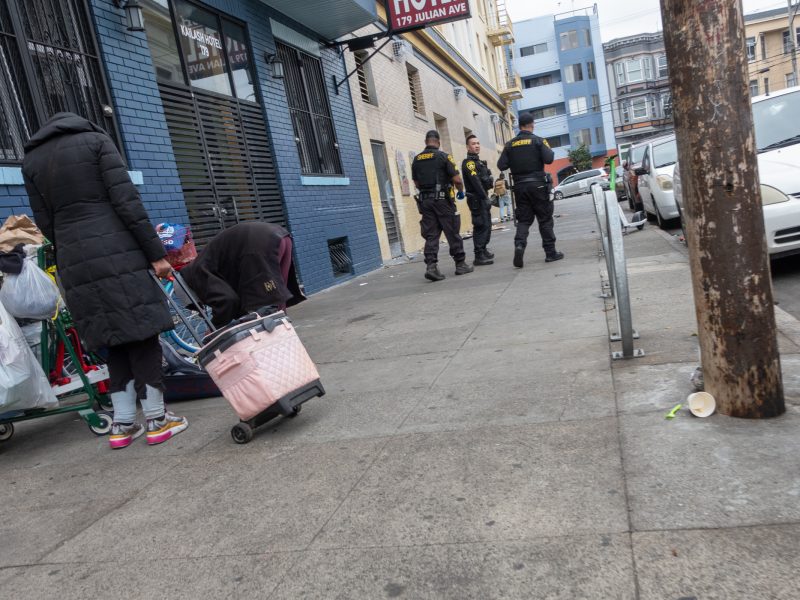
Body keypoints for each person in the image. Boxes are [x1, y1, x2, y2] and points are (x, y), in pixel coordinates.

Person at [22, 112, 188, 450]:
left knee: (111, 337)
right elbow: (127, 202)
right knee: (141, 332)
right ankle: (157, 419)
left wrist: (70, 251)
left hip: (74, 258)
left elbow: (44, 221)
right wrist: (156, 255)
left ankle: (123, 424)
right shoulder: (97, 141)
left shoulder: (32, 160)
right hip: (118, 248)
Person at [179, 221, 306, 328]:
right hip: (280, 236)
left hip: (257, 245)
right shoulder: (204, 262)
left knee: (265, 304)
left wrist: (214, 330)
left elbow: (227, 300)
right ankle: (285, 341)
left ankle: (274, 347)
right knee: (277, 300)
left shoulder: (197, 273)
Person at [497, 112, 563, 268]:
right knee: (545, 219)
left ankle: (519, 245)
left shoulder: (509, 145)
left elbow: (501, 165)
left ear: (519, 126)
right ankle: (550, 253)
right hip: (538, 186)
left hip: (520, 187)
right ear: (532, 124)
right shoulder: (539, 141)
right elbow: (549, 159)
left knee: (524, 220)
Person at [411, 130, 474, 281]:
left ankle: (431, 266)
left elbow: (416, 183)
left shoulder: (416, 159)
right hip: (442, 201)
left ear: (426, 142)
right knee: (452, 231)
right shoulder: (443, 156)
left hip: (425, 201)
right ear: (438, 142)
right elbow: (457, 180)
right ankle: (460, 264)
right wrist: (460, 191)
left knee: (431, 234)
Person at [461, 135, 495, 266]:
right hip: (477, 198)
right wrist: (484, 197)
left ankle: (483, 249)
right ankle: (478, 255)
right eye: (474, 144)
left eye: (478, 143)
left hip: (483, 196)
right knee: (480, 225)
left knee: (487, 224)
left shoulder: (479, 162)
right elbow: (475, 182)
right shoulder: (469, 163)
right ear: (467, 147)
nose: (477, 145)